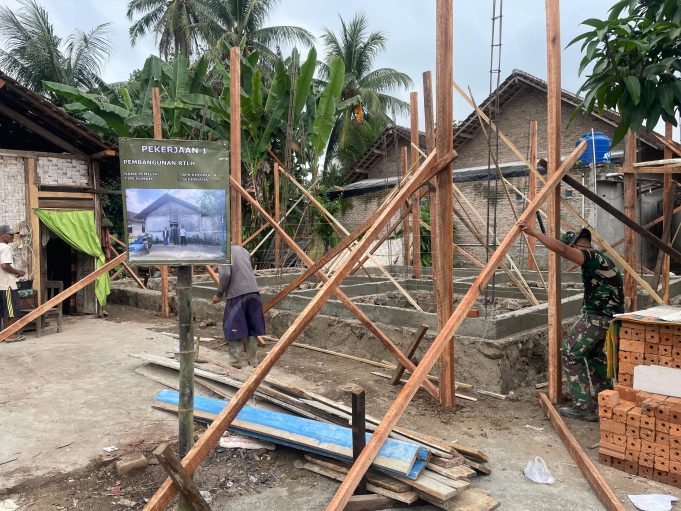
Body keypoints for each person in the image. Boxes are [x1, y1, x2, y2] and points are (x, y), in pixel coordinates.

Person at [518, 223, 624, 421]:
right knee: (594, 356)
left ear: (575, 245)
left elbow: (562, 249)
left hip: (598, 317)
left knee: (570, 352)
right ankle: (605, 401)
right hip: (610, 319)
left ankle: (583, 406)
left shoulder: (591, 257)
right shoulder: (603, 260)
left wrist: (535, 233)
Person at [212, 244, 265, 368]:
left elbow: (225, 275)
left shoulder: (223, 252)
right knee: (252, 326)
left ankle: (235, 361)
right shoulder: (243, 250)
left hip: (237, 294)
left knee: (233, 326)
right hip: (253, 292)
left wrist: (219, 294)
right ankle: (253, 360)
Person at [0, 225, 26, 342]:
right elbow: (4, 265)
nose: (12, 237)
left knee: (2, 311)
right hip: (7, 285)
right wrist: (18, 272)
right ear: (2, 235)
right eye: (10, 235)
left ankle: (2, 335)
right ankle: (9, 335)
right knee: (12, 311)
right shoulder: (6, 248)